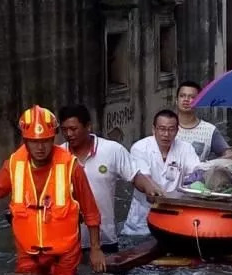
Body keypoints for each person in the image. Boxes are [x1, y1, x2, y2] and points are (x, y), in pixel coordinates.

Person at [0, 105, 105, 275]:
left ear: (53, 139)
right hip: (27, 253)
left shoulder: (71, 166)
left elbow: (90, 210)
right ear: (25, 141)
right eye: (34, 141)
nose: (40, 147)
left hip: (65, 255)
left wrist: (95, 249)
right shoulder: (14, 165)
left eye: (46, 140)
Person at [59, 105, 164, 253]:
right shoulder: (59, 156)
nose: (69, 134)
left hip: (105, 240)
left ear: (88, 126)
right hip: (67, 242)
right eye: (64, 130)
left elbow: (135, 175)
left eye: (74, 129)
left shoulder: (111, 150)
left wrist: (150, 189)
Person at [122, 109, 199, 235]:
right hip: (142, 222)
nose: (166, 134)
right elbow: (145, 180)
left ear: (177, 130)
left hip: (175, 219)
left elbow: (196, 174)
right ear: (154, 129)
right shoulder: (140, 148)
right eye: (162, 129)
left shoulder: (186, 148)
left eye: (171, 129)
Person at [176, 81, 232, 161]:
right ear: (176, 100)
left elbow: (228, 154)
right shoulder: (167, 128)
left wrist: (211, 165)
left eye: (192, 97)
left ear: (199, 101)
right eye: (182, 96)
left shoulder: (209, 130)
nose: (186, 99)